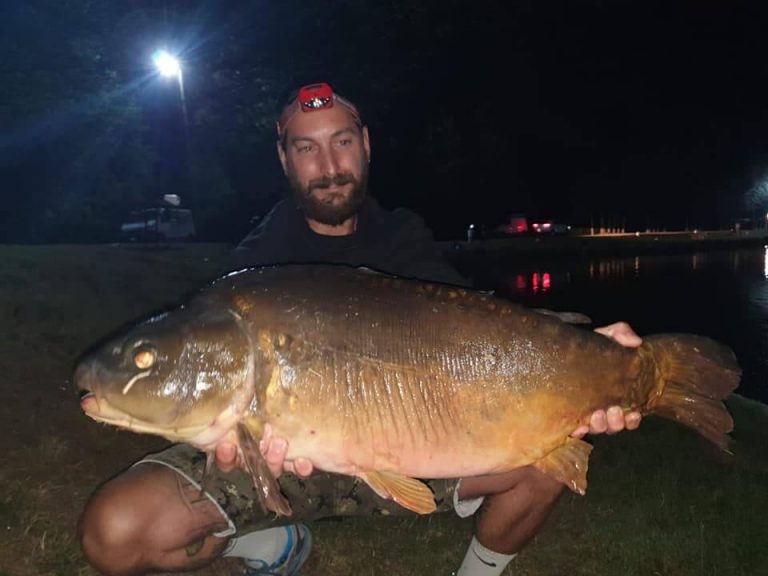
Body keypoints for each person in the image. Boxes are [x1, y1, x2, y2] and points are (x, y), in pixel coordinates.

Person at [78, 82, 642, 576]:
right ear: (285, 159)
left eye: (341, 141)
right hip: (282, 463)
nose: (328, 164)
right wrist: (231, 448)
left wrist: (597, 359)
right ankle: (270, 540)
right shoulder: (251, 271)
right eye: (306, 147)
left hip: (413, 447)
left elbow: (485, 332)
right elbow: (220, 422)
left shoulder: (405, 240)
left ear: (366, 145)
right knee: (115, 533)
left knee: (554, 445)